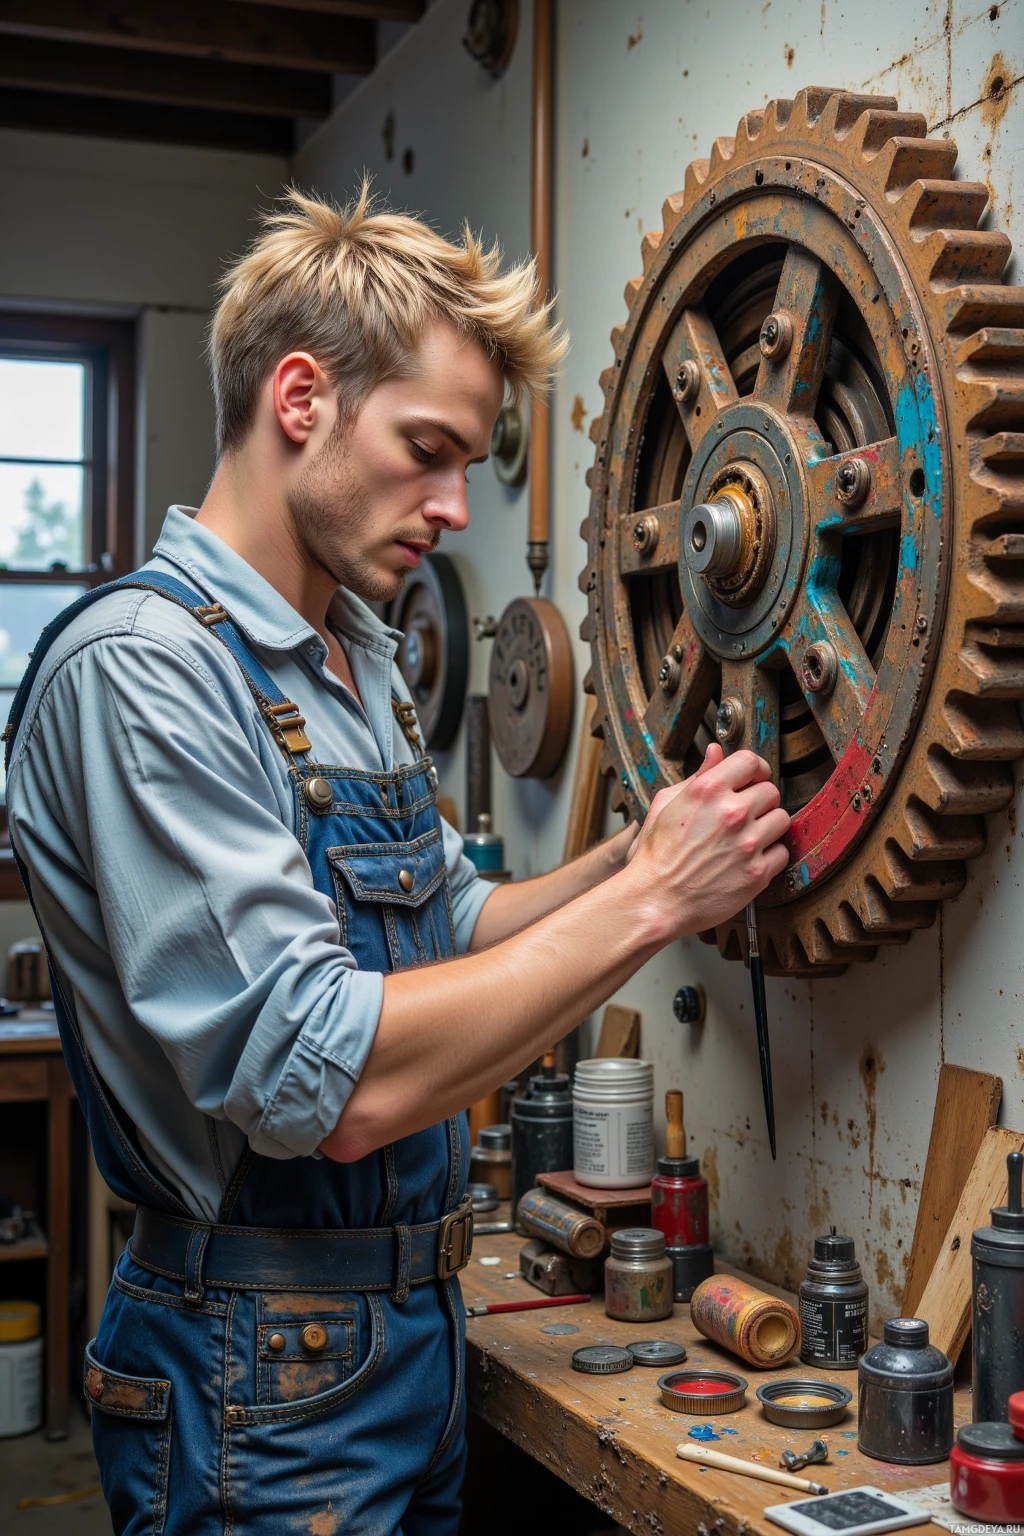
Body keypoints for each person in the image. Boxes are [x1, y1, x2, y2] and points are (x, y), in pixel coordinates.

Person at [4, 187, 790, 1535]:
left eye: (471, 465)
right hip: (259, 1370)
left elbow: (455, 919)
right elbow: (331, 1079)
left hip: (405, 1335)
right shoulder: (145, 674)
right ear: (299, 398)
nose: (454, 508)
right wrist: (660, 899)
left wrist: (642, 855)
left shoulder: (354, 651)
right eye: (429, 450)